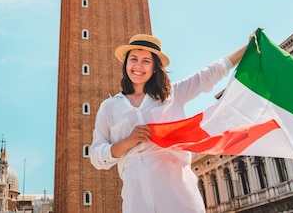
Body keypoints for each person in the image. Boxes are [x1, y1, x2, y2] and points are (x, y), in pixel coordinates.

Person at [89, 33, 251, 213]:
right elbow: (96, 156)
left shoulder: (173, 94)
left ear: (155, 68)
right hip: (137, 201)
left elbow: (211, 73)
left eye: (146, 61)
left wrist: (248, 47)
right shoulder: (110, 107)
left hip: (180, 198)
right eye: (133, 59)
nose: (138, 66)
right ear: (126, 64)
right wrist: (127, 142)